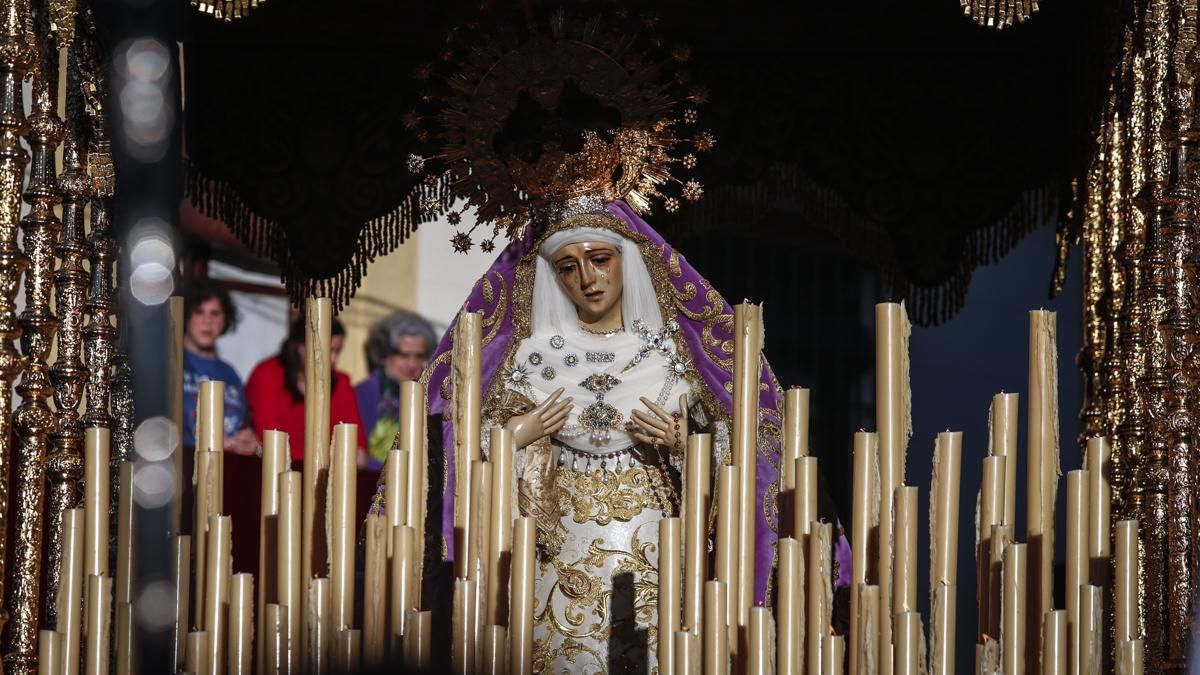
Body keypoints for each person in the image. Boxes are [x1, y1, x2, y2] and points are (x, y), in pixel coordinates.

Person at [408, 200, 851, 673]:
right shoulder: (527, 359)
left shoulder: (675, 356)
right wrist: (513, 437)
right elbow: (459, 460)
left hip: (658, 545)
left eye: (600, 259)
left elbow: (747, 454)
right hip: (554, 554)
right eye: (568, 266)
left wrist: (688, 443)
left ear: (627, 259)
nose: (588, 279)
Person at [245, 315, 368, 463]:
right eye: (328, 351)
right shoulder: (267, 374)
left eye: (338, 351)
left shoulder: (341, 383)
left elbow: (358, 452)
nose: (334, 360)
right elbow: (272, 443)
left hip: (326, 475)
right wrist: (331, 455)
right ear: (302, 347)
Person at [182, 279, 256, 455]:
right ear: (186, 316)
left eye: (215, 313)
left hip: (227, 465)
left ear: (225, 320)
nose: (207, 321)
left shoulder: (231, 374)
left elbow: (243, 426)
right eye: (199, 312)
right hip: (181, 464)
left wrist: (251, 444)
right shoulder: (170, 361)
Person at [355, 310, 437, 469]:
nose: (412, 364)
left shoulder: (432, 397)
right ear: (384, 354)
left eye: (419, 356)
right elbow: (358, 457)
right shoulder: (363, 393)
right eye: (403, 355)